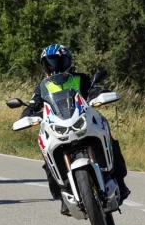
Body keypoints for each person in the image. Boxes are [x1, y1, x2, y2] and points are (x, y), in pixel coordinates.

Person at [20, 44, 131, 215]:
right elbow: (32, 105)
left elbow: (94, 90)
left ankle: (120, 183)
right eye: (49, 63)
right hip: (57, 125)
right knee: (47, 162)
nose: (54, 67)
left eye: (58, 62)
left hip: (84, 120)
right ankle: (62, 197)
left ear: (67, 61)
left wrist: (100, 95)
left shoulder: (80, 78)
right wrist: (26, 116)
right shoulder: (42, 87)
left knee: (112, 143)